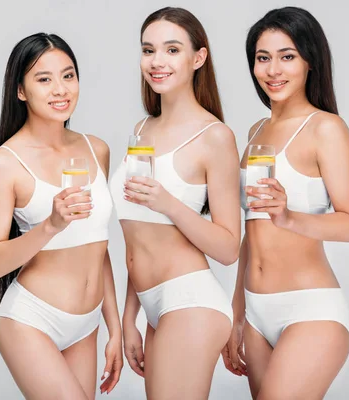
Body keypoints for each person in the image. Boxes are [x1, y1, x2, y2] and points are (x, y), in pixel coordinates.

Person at [222, 7, 349, 399]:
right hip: (255, 312)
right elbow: (251, 233)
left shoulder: (326, 128)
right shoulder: (255, 131)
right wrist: (237, 313)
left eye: (287, 56)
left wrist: (288, 217)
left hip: (310, 308)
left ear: (309, 61)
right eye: (262, 57)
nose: (273, 70)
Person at [0, 33, 122, 399]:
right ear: (21, 90)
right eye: (44, 79)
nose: (61, 89)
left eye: (68, 75)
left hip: (86, 325)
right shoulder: (5, 164)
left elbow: (98, 247)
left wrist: (115, 328)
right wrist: (50, 226)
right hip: (31, 320)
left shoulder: (96, 148)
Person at [109, 7, 241, 399]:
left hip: (190, 299)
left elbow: (229, 247)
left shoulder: (215, 136)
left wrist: (168, 203)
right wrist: (129, 317)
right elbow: (138, 235)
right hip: (152, 305)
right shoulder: (141, 129)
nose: (157, 62)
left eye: (171, 50)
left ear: (197, 58)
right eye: (148, 50)